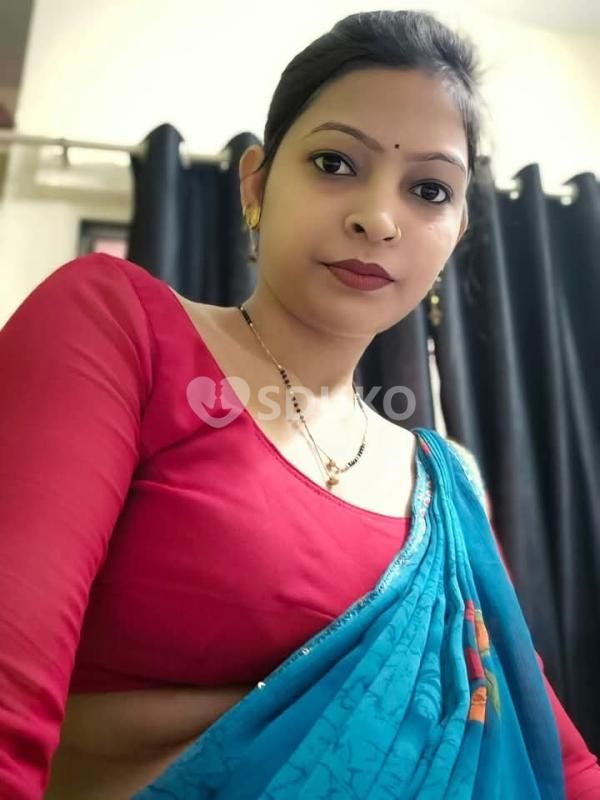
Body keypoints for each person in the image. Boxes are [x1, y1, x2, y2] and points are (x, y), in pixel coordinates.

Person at [0, 9, 598, 800]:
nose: (377, 218)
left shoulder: (447, 485)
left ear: (456, 230)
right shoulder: (119, 330)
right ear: (255, 184)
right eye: (334, 162)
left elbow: (553, 754)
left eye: (428, 189)